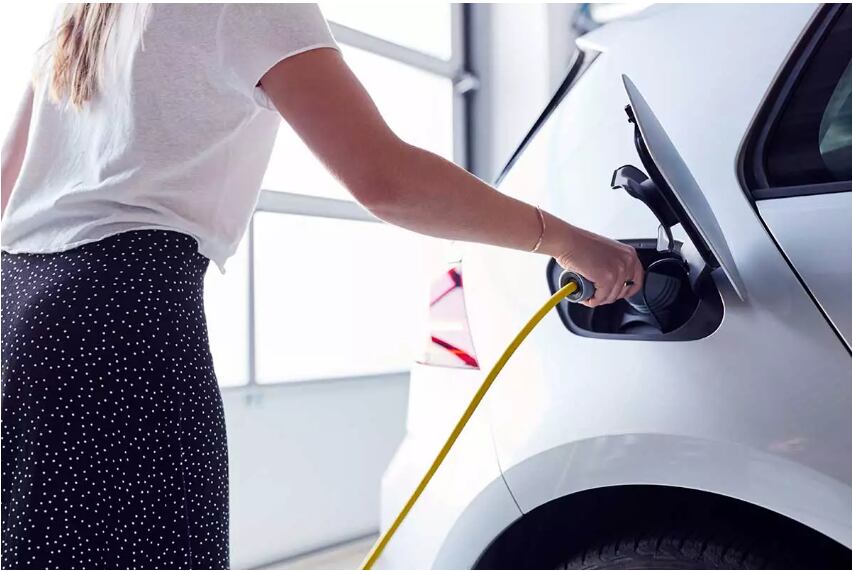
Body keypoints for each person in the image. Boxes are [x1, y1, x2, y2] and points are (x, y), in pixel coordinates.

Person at [0, 4, 643, 569]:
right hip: (117, 316)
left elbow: (7, 189)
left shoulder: (83, 11)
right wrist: (569, 241)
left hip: (18, 306)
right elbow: (386, 179)